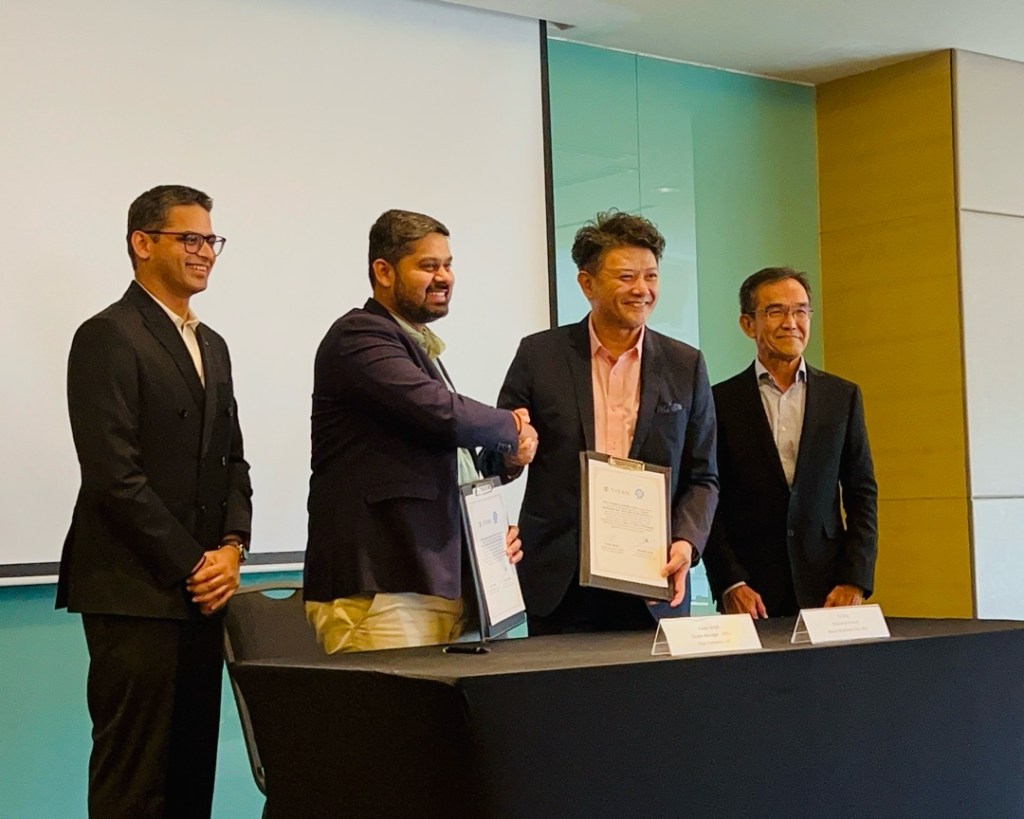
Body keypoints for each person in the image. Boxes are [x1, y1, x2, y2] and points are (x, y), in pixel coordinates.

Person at [57, 185, 252, 817]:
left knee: (192, 772)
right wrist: (194, 563)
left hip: (204, 594)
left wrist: (232, 548)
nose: (205, 252)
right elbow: (113, 476)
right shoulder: (107, 335)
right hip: (135, 590)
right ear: (142, 244)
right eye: (189, 238)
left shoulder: (213, 343)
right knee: (136, 781)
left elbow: (233, 460)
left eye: (211, 240)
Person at [303, 209, 537, 653]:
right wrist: (512, 425)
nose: (444, 277)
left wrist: (504, 463)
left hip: (442, 582)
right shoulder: (359, 335)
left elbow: (444, 452)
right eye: (429, 266)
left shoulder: (417, 346)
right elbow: (440, 413)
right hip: (385, 584)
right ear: (383, 271)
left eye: (448, 265)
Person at [489, 211, 718, 634]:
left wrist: (687, 542)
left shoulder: (685, 365)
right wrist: (514, 454)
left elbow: (703, 476)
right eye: (626, 277)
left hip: (652, 580)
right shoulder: (539, 356)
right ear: (586, 284)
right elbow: (493, 458)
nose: (642, 290)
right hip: (560, 581)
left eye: (651, 276)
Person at [702, 267, 878, 618]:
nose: (791, 322)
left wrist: (854, 580)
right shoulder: (718, 401)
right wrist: (730, 582)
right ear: (748, 324)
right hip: (751, 593)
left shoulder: (841, 397)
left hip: (829, 588)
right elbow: (708, 498)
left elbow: (862, 494)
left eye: (800, 310)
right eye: (775, 311)